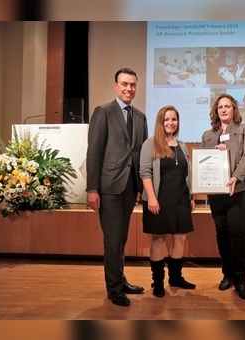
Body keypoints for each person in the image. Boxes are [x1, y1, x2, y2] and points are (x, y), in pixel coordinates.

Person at [86, 67, 148, 307]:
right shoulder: (103, 112)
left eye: (132, 84)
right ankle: (113, 289)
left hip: (131, 187)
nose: (128, 88)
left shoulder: (140, 117)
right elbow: (94, 153)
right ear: (115, 86)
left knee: (121, 239)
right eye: (124, 84)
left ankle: (120, 280)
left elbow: (142, 154)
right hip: (109, 187)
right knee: (112, 240)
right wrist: (92, 189)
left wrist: (143, 185)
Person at [200, 94, 245, 300]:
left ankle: (241, 280)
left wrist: (235, 176)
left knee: (238, 235)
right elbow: (203, 162)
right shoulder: (208, 135)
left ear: (234, 109)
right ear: (216, 111)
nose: (224, 110)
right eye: (220, 107)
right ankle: (228, 275)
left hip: (239, 190)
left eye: (228, 106)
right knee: (222, 234)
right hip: (217, 194)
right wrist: (214, 154)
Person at [140, 105, 196, 298]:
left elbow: (186, 174)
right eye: (167, 120)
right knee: (158, 240)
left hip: (180, 199)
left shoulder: (181, 145)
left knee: (180, 238)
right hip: (159, 199)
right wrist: (152, 198)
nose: (171, 123)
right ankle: (158, 282)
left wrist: (191, 196)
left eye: (174, 119)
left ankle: (175, 277)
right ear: (160, 122)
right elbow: (145, 172)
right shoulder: (150, 143)